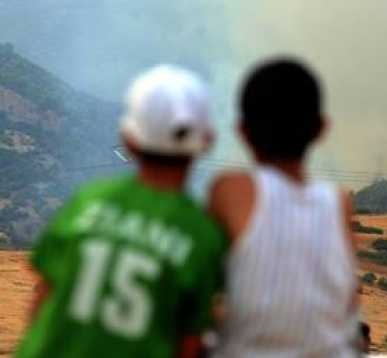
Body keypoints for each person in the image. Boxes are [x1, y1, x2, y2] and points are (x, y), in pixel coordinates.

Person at [16, 65, 227, 358]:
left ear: (129, 139)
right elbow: (188, 343)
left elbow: (43, 297)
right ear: (206, 141)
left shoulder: (87, 202)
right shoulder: (202, 234)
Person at [209, 58, 360, 357]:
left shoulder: (232, 190)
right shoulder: (338, 203)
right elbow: (348, 302)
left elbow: (200, 293)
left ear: (242, 130)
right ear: (321, 129)